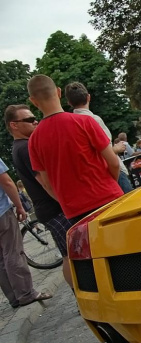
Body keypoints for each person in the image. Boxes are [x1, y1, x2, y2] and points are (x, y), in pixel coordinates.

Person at [26, 75, 123, 226]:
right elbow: (113, 162)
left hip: (75, 211)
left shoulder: (33, 141)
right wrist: (109, 184)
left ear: (33, 101)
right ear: (58, 92)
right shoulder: (84, 122)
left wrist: (67, 201)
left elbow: (47, 184)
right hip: (107, 196)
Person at [6, 104, 75, 287]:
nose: (35, 121)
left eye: (34, 117)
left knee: (69, 254)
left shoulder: (20, 146)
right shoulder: (25, 147)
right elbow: (44, 181)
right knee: (72, 255)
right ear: (14, 125)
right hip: (54, 208)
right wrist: (67, 203)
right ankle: (82, 297)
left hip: (49, 209)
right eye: (28, 120)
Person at [0, 157, 53, 308]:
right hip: (2, 213)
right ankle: (25, 293)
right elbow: (7, 182)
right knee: (13, 252)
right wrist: (19, 206)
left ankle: (13, 297)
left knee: (1, 259)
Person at [65, 82, 133, 194]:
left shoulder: (70, 124)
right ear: (88, 97)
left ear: (69, 102)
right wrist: (117, 148)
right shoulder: (93, 119)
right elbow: (104, 151)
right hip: (113, 172)